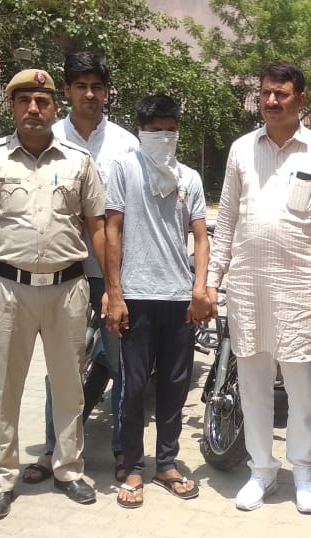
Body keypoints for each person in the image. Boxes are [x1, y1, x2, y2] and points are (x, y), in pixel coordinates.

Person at [0, 68, 112, 519]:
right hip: (7, 288)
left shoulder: (78, 161)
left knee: (70, 386)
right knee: (3, 390)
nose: (33, 108)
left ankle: (68, 469)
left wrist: (113, 289)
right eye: (24, 100)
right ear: (12, 106)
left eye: (42, 101)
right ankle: (0, 480)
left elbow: (97, 227)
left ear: (55, 107)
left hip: (67, 288)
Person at [207, 61, 311, 513]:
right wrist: (211, 282)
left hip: (301, 291)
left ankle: (304, 471)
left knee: (303, 388)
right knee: (253, 386)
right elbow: (226, 220)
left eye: (280, 94)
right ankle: (262, 470)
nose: (270, 101)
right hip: (247, 289)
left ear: (300, 100)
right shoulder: (241, 149)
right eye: (265, 92)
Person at [23, 51, 140, 486]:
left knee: (122, 362)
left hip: (115, 274)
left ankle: (123, 450)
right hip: (62, 272)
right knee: (62, 366)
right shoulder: (47, 137)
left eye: (97, 87)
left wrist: (119, 283)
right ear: (67, 92)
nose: (89, 94)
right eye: (80, 86)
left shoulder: (127, 144)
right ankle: (54, 449)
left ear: (107, 93)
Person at [104, 94, 212, 508]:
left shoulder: (189, 178)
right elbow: (113, 230)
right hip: (135, 296)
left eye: (170, 129)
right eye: (155, 129)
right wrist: (115, 293)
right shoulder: (124, 168)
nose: (163, 136)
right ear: (141, 130)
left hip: (179, 299)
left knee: (174, 387)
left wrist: (199, 289)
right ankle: (133, 466)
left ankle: (166, 463)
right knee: (133, 388)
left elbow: (200, 237)